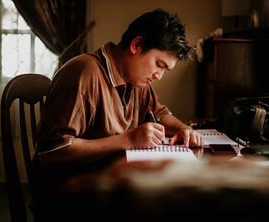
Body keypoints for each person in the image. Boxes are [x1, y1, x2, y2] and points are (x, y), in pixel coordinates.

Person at [36, 8, 203, 167]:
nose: (158, 75)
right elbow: (50, 153)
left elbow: (159, 115)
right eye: (159, 64)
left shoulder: (137, 80)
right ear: (137, 45)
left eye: (164, 69)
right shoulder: (82, 74)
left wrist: (184, 129)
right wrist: (128, 140)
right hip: (70, 190)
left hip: (112, 178)